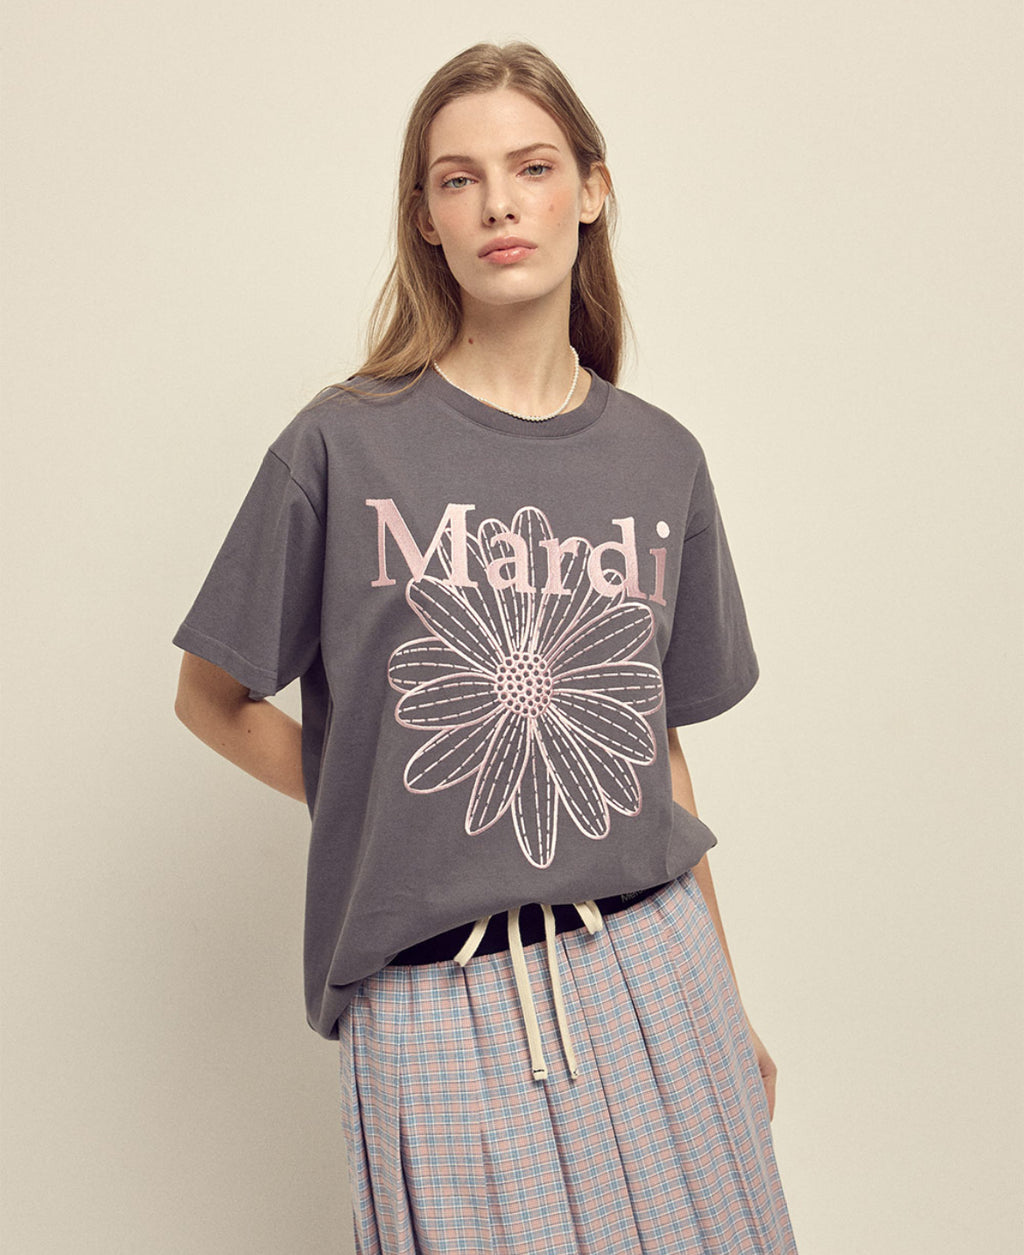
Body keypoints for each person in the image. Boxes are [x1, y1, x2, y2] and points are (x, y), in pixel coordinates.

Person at [173, 40, 799, 1254]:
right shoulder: (341, 445)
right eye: (458, 179)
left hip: (654, 975)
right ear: (426, 218)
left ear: (592, 190)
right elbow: (211, 696)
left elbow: (655, 753)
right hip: (429, 1001)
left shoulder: (659, 460)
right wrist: (385, 802)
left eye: (533, 167)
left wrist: (727, 999)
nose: (499, 203)